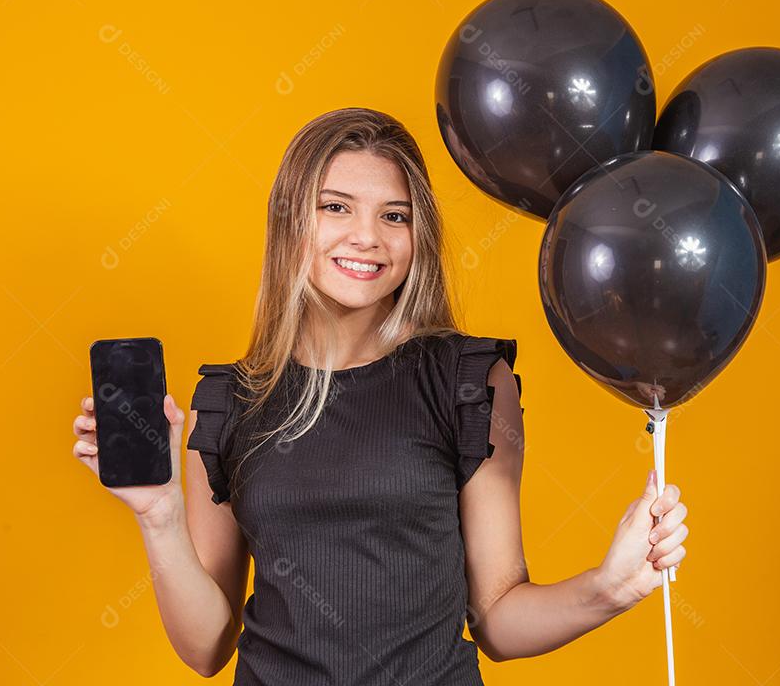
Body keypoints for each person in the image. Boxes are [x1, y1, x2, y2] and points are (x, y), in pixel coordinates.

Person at [72, 107, 688, 684]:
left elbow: (498, 618)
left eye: (394, 216)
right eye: (336, 207)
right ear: (291, 220)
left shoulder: (467, 381)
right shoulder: (231, 400)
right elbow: (206, 647)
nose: (366, 237)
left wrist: (611, 588)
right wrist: (161, 516)